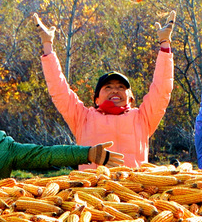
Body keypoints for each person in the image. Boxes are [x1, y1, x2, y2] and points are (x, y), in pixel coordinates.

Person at [32, 11, 176, 169]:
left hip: (133, 189)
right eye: (108, 87)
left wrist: (165, 44)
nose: (115, 90)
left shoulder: (142, 118)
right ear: (96, 100)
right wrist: (47, 46)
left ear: (131, 98)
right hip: (94, 190)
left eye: (121, 87)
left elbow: (161, 90)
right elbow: (59, 90)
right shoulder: (82, 118)